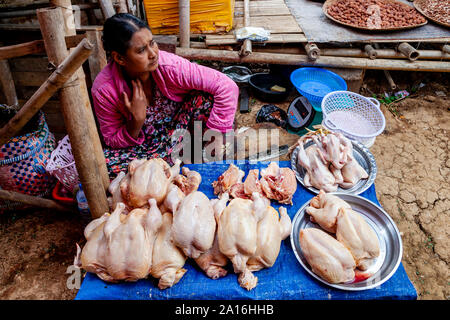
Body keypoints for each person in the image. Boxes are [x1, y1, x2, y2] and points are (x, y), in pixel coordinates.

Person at [91, 13, 239, 178]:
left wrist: (216, 136)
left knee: (205, 100)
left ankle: (186, 162)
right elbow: (111, 139)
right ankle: (173, 165)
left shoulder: (171, 67)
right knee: (100, 168)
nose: (153, 53)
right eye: (141, 50)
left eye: (152, 43)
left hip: (182, 134)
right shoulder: (104, 90)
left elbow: (227, 86)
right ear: (119, 58)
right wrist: (136, 121)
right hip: (144, 148)